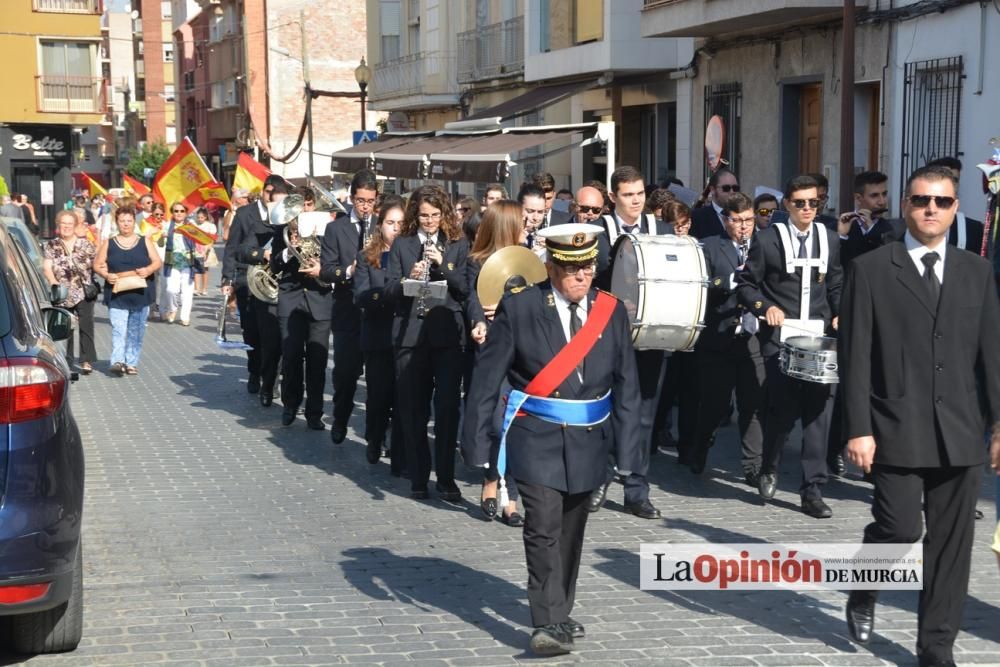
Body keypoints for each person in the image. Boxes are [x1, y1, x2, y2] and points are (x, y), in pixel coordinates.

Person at [840, 165, 1000, 667]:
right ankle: (866, 585)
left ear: (955, 211)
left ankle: (936, 649)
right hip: (894, 427)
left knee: (951, 549)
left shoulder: (977, 272)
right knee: (900, 528)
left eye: (943, 202)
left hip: (961, 431)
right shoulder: (870, 270)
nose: (932, 209)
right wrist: (859, 428)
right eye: (921, 200)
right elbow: (856, 357)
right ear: (905, 205)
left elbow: (992, 356)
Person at [461, 223, 641, 656]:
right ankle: (544, 622)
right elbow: (488, 378)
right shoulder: (521, 308)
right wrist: (478, 444)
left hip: (589, 439)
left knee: (571, 532)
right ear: (551, 267)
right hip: (535, 437)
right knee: (542, 527)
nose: (581, 277)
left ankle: (559, 610)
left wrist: (630, 452)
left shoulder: (610, 311)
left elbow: (627, 386)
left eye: (589, 269)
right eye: (571, 269)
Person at [737, 174, 842, 518]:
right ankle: (769, 466)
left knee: (818, 415)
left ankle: (812, 489)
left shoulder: (829, 238)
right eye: (801, 203)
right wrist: (763, 307)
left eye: (815, 203)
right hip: (780, 340)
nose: (808, 209)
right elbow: (746, 284)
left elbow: (837, 282)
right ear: (787, 205)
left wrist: (840, 312)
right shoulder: (768, 240)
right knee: (781, 413)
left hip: (818, 340)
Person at [588, 166, 668, 519]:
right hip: (607, 332)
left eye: (640, 194)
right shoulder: (597, 232)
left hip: (651, 333)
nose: (636, 201)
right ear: (613, 198)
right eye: (628, 195)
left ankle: (637, 489)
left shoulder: (661, 230)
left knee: (644, 414)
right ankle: (600, 476)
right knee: (605, 410)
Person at [386, 185, 469, 501]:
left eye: (435, 215)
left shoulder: (458, 245)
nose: (430, 221)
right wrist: (409, 276)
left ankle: (446, 478)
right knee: (413, 410)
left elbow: (465, 289)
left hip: (447, 337)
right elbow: (390, 289)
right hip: (410, 337)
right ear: (414, 215)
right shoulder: (402, 245)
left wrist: (443, 264)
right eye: (424, 216)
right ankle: (418, 476)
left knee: (448, 409)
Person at [688, 193, 765, 484]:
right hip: (718, 338)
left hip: (752, 338)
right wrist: (733, 280)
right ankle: (700, 446)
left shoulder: (763, 246)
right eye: (737, 221)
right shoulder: (710, 246)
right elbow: (703, 286)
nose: (744, 227)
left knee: (753, 402)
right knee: (715, 404)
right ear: (725, 220)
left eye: (749, 220)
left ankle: (752, 466)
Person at [467, 200, 528, 527]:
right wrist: (478, 322)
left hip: (526, 351)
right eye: (521, 220)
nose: (527, 225)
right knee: (497, 421)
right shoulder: (477, 261)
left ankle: (511, 497)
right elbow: (473, 300)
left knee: (516, 422)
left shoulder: (530, 259)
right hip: (493, 348)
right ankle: (491, 477)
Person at [320, 170, 378, 444]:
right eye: (360, 200)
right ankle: (340, 419)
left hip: (377, 311)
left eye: (370, 201)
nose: (365, 206)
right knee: (345, 372)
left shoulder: (382, 225)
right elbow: (326, 270)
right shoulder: (336, 228)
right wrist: (348, 270)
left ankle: (376, 431)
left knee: (378, 377)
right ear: (352, 198)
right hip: (347, 310)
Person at [354, 196, 405, 471]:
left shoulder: (412, 254)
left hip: (406, 337)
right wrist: (389, 292)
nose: (395, 228)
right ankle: (374, 437)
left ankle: (398, 448)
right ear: (380, 224)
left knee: (403, 397)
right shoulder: (367, 256)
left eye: (400, 223)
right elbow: (360, 296)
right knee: (378, 396)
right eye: (390, 223)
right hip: (377, 336)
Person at [223, 175, 286, 400]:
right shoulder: (244, 214)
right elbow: (232, 248)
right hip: (245, 281)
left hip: (271, 284)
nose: (271, 197)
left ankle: (273, 377)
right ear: (263, 191)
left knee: (272, 333)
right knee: (251, 332)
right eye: (269, 192)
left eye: (276, 193)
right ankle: (253, 371)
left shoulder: (284, 215)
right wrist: (227, 280)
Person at [270, 198, 331, 429]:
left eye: (309, 205)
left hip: (320, 300)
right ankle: (290, 405)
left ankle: (315, 412)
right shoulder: (282, 230)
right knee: (291, 356)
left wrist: (321, 263)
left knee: (318, 361)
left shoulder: (327, 229)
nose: (305, 210)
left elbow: (335, 261)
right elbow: (275, 266)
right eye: (301, 207)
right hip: (291, 300)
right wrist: (289, 250)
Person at [93, 207, 161, 376]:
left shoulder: (144, 241)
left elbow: (157, 261)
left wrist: (148, 270)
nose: (126, 224)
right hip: (117, 294)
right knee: (118, 329)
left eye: (129, 220)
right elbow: (97, 264)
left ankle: (131, 362)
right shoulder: (109, 243)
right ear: (117, 223)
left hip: (140, 294)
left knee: (136, 330)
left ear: (134, 222)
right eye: (122, 221)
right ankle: (117, 360)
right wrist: (106, 275)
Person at [43, 210, 98, 374]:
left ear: (75, 226)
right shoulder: (52, 245)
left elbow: (96, 265)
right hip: (62, 291)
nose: (66, 227)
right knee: (64, 327)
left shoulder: (86, 245)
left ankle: (86, 360)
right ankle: (65, 360)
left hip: (83, 291)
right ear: (58, 225)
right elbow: (46, 267)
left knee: (86, 326)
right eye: (63, 223)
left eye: (69, 224)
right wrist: (53, 281)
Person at [160, 201, 200, 326]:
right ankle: (172, 309)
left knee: (187, 291)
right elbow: (160, 244)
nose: (178, 213)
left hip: (187, 259)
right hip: (172, 259)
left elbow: (199, 240)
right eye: (176, 211)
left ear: (186, 213)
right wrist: (162, 236)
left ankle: (185, 316)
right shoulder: (167, 225)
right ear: (172, 212)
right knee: (171, 289)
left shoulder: (190, 225)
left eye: (181, 211)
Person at [691, 168, 740, 239]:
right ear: (713, 190)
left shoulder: (744, 215)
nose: (732, 192)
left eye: (735, 188)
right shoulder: (697, 218)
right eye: (726, 188)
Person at [192, 207, 217, 296]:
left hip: (207, 248)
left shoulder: (210, 226)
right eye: (198, 217)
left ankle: (204, 288)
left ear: (205, 217)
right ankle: (196, 288)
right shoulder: (194, 225)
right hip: (196, 248)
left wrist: (207, 249)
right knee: (195, 269)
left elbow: (212, 239)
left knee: (205, 269)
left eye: (202, 217)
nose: (200, 219)